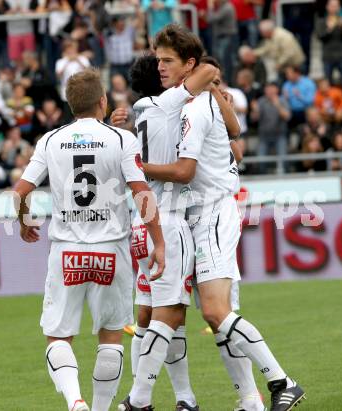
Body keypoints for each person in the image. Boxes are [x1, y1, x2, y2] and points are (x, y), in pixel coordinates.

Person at [142, 58, 306, 411]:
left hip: (212, 213)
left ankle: (281, 382)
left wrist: (137, 168)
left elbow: (195, 165)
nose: (162, 68)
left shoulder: (199, 106)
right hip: (199, 216)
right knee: (217, 318)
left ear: (189, 67)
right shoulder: (201, 103)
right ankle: (250, 400)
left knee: (216, 313)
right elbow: (235, 137)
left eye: (168, 60)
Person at [14, 68, 165, 411]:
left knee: (57, 336)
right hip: (111, 250)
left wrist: (24, 222)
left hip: (66, 250)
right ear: (103, 101)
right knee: (111, 338)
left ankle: (75, 402)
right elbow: (142, 193)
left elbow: (20, 191)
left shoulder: (50, 140)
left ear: (70, 105)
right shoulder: (121, 139)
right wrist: (159, 242)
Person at [113, 25, 219, 411]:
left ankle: (184, 398)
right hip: (168, 221)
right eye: (159, 63)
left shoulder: (140, 112)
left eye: (166, 61)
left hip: (139, 224)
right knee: (170, 314)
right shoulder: (167, 104)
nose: (162, 67)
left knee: (149, 315)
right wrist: (198, 72)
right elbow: (207, 70)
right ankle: (138, 400)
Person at [315, 0, 342, 85]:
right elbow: (320, 37)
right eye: (332, 6)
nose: (334, 8)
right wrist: (329, 29)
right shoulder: (322, 21)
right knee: (327, 82)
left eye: (336, 6)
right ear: (327, 7)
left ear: (339, 8)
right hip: (328, 56)